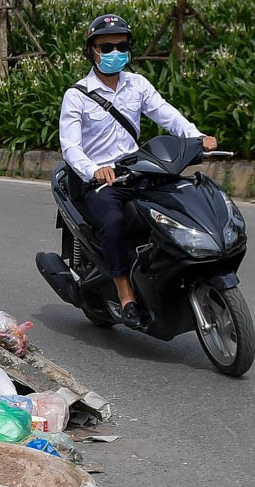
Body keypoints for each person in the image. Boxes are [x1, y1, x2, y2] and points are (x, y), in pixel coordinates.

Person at [58, 13, 217, 327]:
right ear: (91, 50)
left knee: (180, 203)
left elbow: (166, 114)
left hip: (139, 169)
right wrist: (94, 170)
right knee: (114, 221)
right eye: (106, 47)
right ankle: (125, 292)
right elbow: (71, 146)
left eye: (121, 46)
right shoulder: (76, 96)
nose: (114, 52)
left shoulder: (137, 84)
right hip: (101, 180)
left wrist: (197, 137)